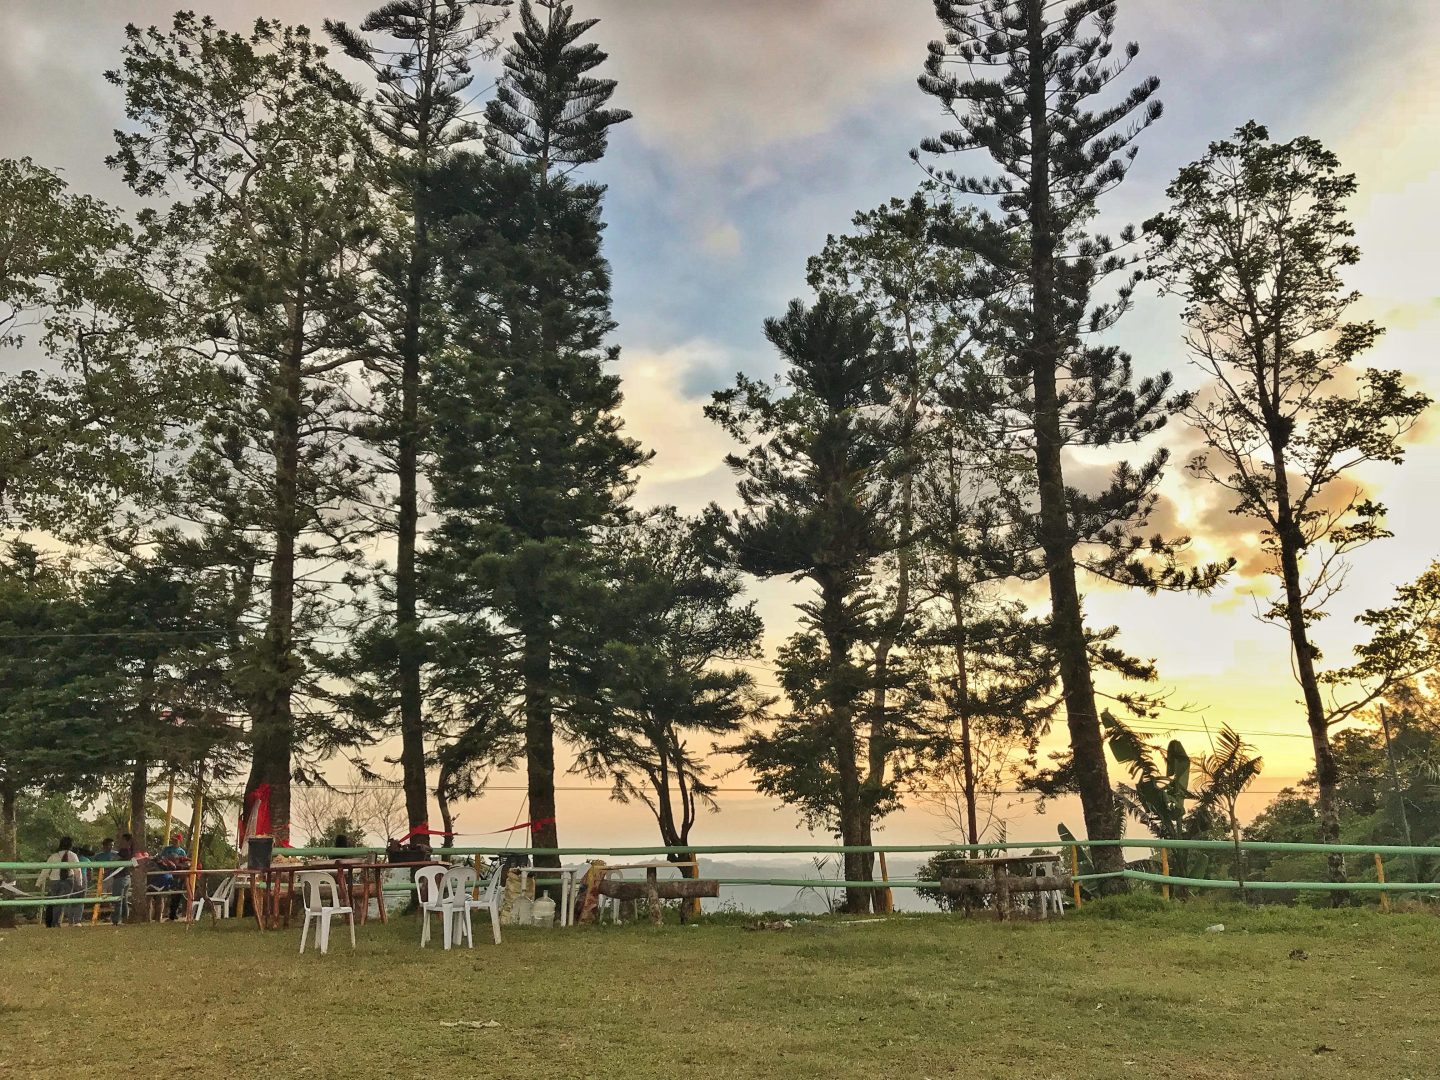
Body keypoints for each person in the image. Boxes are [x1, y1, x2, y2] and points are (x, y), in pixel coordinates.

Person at [36, 836, 82, 928]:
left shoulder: (53, 856)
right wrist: (79, 882)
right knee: (61, 902)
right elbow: (78, 870)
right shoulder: (73, 855)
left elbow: (45, 870)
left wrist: (39, 882)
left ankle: (52, 922)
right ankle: (55, 922)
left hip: (54, 880)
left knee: (53, 901)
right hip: (68, 880)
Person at [156, 832, 190, 920]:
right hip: (166, 872)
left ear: (179, 841)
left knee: (176, 894)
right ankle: (162, 914)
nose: (174, 841)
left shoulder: (182, 851)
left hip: (177, 874)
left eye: (176, 840)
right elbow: (161, 858)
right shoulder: (167, 849)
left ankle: (173, 913)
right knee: (163, 893)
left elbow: (185, 863)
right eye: (173, 840)